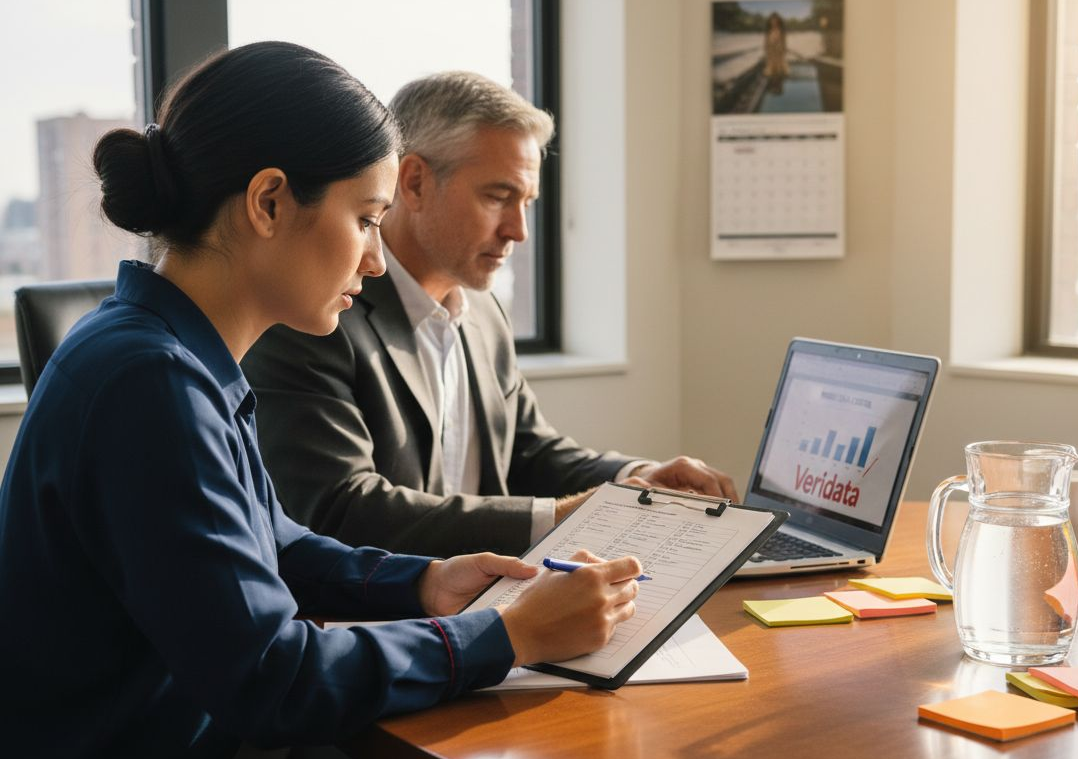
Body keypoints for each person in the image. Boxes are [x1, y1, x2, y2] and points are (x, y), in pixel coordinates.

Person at [0, 42, 641, 759]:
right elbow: (275, 679)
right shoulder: (152, 384)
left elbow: (275, 542)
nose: (374, 257)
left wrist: (426, 582)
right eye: (367, 218)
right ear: (269, 203)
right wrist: (511, 634)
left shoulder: (169, 351)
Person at [241, 71, 739, 559]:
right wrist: (559, 518)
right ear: (413, 183)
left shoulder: (480, 310)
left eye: (526, 203)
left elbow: (528, 450)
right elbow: (340, 509)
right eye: (498, 197)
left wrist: (635, 481)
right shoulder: (315, 313)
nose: (518, 231)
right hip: (383, 616)